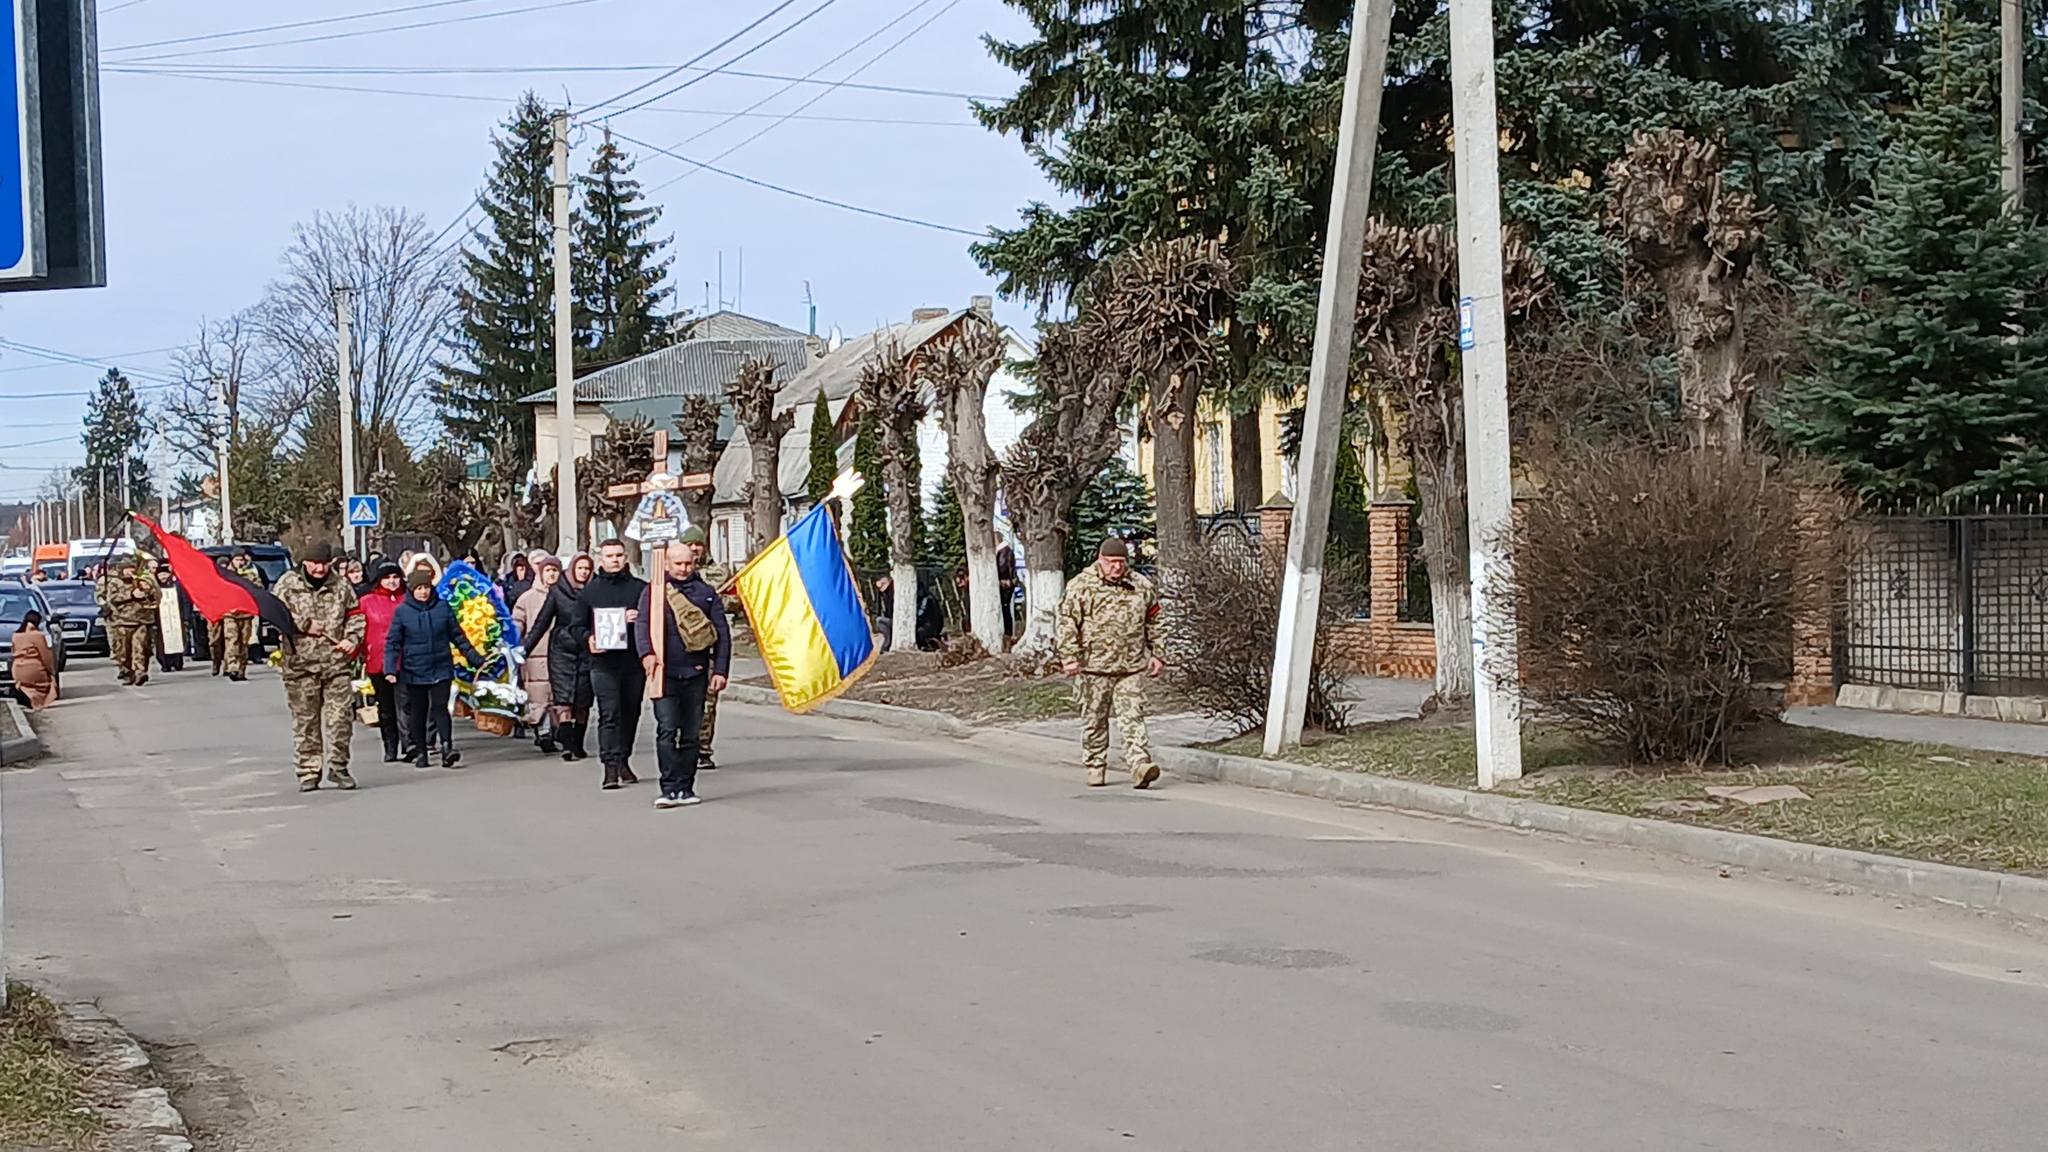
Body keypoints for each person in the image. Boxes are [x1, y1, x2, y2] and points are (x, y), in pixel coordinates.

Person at [1056, 536, 1165, 789]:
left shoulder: (1140, 585)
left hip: (1131, 666)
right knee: (1095, 719)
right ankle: (1095, 764)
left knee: (1133, 716)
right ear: (1100, 560)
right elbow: (1067, 623)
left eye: (1121, 562)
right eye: (1111, 562)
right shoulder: (1081, 586)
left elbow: (1154, 620)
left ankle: (1140, 764)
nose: (1117, 567)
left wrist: (1158, 654)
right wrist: (1069, 657)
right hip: (1093, 667)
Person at [635, 539, 731, 808]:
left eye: (688, 562)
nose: (684, 568)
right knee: (667, 730)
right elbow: (642, 626)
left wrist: (720, 670)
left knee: (690, 733)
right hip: (663, 673)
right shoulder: (653, 592)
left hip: (696, 673)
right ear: (666, 563)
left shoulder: (706, 593)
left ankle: (686, 787)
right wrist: (647, 654)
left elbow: (722, 635)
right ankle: (668, 787)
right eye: (678, 563)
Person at [274, 541, 367, 792]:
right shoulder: (287, 584)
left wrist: (352, 639)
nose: (319, 569)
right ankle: (308, 770)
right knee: (306, 722)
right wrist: (303, 625)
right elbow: (274, 616)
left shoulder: (341, 585)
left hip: (335, 664)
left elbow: (356, 615)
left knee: (340, 720)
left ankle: (338, 767)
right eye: (314, 564)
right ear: (305, 563)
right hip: (300, 667)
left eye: (323, 564)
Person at [384, 568, 483, 769]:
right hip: (414, 669)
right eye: (419, 588)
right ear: (412, 590)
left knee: (441, 708)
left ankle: (447, 747)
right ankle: (421, 751)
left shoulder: (443, 608)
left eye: (426, 587)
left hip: (440, 666)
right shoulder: (403, 612)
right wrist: (390, 669)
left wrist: (475, 659)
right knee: (418, 712)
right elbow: (393, 642)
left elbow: (458, 636)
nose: (423, 592)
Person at [581, 539, 647, 790]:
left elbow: (654, 621)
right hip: (603, 662)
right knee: (609, 714)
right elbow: (575, 626)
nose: (615, 560)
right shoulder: (590, 592)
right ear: (601, 560)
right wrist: (589, 640)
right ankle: (609, 766)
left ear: (626, 557)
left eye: (619, 555)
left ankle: (623, 759)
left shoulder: (640, 589)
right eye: (609, 556)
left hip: (632, 661)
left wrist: (638, 618)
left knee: (630, 713)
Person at [527, 552, 594, 762]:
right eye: (580, 568)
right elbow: (542, 622)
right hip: (561, 650)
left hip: (587, 649)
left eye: (587, 568)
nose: (583, 572)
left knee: (582, 701)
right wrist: (524, 649)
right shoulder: (558, 592)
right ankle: (567, 743)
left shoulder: (595, 591)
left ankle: (578, 743)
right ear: (572, 569)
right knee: (563, 699)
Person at [679, 525, 728, 772]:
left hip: (708, 646)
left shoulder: (718, 573)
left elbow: (731, 601)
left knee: (707, 703)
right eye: (689, 544)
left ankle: (703, 749)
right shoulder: (672, 578)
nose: (694, 549)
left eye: (697, 544)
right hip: (681, 649)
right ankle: (683, 744)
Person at [357, 560, 408, 762]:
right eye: (387, 578)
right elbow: (359, 630)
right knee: (385, 707)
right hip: (378, 660)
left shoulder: (408, 599)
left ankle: (409, 744)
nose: (392, 582)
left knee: (407, 705)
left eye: (395, 577)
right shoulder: (367, 601)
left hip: (407, 659)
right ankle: (390, 746)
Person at [510, 555, 560, 753]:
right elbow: (517, 622)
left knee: (557, 695)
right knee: (539, 695)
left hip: (559, 651)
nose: (551, 574)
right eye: (548, 570)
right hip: (535, 653)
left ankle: (557, 730)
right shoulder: (528, 597)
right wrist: (516, 643)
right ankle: (544, 732)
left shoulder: (565, 594)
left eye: (555, 570)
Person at [99, 554, 160, 687]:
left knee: (140, 647)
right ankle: (127, 672)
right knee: (123, 651)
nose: (130, 571)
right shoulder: (114, 582)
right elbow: (111, 598)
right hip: (121, 621)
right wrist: (131, 595)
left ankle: (140, 672)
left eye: (133, 568)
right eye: (127, 568)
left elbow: (155, 594)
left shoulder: (144, 579)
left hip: (141, 620)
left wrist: (146, 592)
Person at [211, 554, 257, 681]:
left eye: (241, 560)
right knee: (232, 640)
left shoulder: (250, 575)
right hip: (230, 614)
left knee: (244, 643)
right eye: (237, 560)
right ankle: (233, 668)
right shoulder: (225, 575)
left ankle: (241, 670)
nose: (240, 562)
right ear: (232, 561)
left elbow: (258, 591)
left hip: (246, 614)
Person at [9, 610, 57, 710]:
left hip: (17, 670)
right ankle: (35, 700)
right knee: (47, 684)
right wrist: (51, 671)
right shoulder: (38, 636)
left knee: (26, 687)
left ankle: (27, 697)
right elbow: (45, 656)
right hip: (35, 669)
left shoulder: (15, 636)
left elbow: (13, 652)